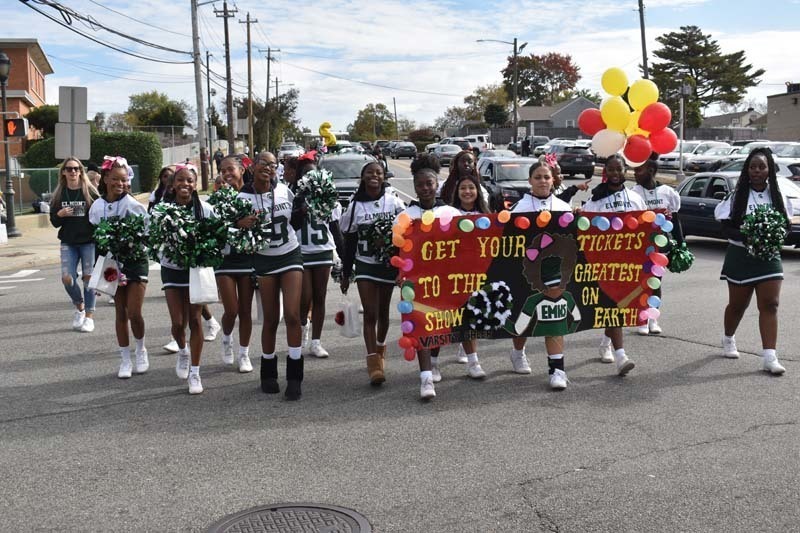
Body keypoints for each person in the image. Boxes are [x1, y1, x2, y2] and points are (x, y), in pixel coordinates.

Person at [714, 148, 790, 375]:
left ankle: (769, 357)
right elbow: (725, 227)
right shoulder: (737, 196)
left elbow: (785, 225)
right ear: (747, 170)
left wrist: (775, 235)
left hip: (769, 257)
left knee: (771, 304)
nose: (757, 171)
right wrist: (747, 236)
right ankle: (728, 338)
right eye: (753, 167)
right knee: (738, 305)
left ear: (769, 170)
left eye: (762, 167)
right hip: (741, 256)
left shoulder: (777, 195)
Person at [239, 151, 305, 400]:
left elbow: (294, 222)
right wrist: (238, 223)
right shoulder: (242, 196)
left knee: (292, 314)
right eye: (264, 163)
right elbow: (231, 228)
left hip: (289, 253)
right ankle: (268, 373)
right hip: (264, 259)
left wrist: (306, 210)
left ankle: (295, 377)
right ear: (253, 166)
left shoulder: (284, 191)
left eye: (273, 164)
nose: (269, 168)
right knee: (270, 318)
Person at [508, 160, 575, 389]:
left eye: (546, 177)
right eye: (538, 177)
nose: (543, 181)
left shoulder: (562, 207)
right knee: (523, 317)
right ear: (530, 181)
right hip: (527, 271)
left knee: (555, 317)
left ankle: (557, 370)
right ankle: (518, 352)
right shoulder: (519, 208)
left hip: (555, 274)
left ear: (553, 180)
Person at [340, 161, 406, 387]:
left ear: (383, 175)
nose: (374, 176)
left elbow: (406, 235)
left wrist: (402, 266)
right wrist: (346, 273)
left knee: (383, 312)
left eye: (378, 172)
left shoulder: (394, 201)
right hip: (365, 264)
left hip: (387, 265)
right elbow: (349, 242)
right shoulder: (355, 205)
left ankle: (380, 347)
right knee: (370, 313)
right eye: (369, 172)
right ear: (363, 177)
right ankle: (372, 362)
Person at [581, 154, 646, 376]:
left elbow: (645, 226)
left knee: (620, 307)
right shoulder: (596, 199)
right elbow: (586, 228)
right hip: (605, 263)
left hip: (630, 263)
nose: (615, 174)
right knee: (613, 306)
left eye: (619, 169)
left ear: (626, 170)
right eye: (611, 170)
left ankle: (605, 343)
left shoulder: (636, 197)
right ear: (604, 172)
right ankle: (621, 355)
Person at [158, 163, 219, 394]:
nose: (185, 184)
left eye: (190, 181)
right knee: (177, 322)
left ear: (195, 185)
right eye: (180, 180)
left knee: (195, 320)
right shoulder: (162, 210)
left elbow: (217, 236)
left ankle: (195, 372)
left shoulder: (205, 209)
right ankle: (182, 351)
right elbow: (152, 238)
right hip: (172, 269)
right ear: (173, 184)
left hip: (196, 270)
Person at [88, 156, 150, 379]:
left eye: (123, 180)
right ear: (105, 178)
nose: (119, 184)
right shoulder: (97, 207)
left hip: (135, 261)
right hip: (111, 263)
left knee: (135, 312)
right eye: (115, 179)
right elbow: (96, 238)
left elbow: (146, 235)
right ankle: (125, 358)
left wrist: (129, 243)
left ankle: (141, 349)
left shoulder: (133, 206)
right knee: (120, 312)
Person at [286, 154, 344, 358]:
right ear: (300, 177)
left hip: (322, 250)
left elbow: (335, 230)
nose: (310, 177)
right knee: (305, 298)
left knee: (320, 297)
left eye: (313, 173)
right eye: (305, 173)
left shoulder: (329, 197)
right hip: (301, 251)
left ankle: (316, 342)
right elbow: (291, 226)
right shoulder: (292, 196)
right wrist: (300, 208)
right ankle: (303, 327)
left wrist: (344, 260)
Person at [446, 167, 490, 380]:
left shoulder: (487, 216)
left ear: (477, 191)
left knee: (474, 316)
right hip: (454, 275)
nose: (467, 192)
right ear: (457, 192)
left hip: (478, 274)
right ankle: (469, 360)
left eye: (471, 188)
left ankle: (470, 356)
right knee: (460, 316)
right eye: (463, 188)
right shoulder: (447, 215)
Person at [213, 154, 255, 373]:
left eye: (231, 169)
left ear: (241, 169)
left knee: (246, 310)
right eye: (223, 170)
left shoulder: (253, 193)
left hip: (248, 258)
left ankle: (244, 353)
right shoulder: (218, 197)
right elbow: (213, 228)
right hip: (225, 259)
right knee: (231, 310)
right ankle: (227, 338)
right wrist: (236, 224)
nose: (227, 173)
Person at [630, 157, 682, 335]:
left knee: (656, 282)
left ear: (651, 171)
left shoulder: (667, 192)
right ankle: (642, 319)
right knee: (642, 283)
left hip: (661, 245)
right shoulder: (633, 192)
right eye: (635, 170)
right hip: (640, 246)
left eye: (639, 170)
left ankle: (653, 318)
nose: (635, 174)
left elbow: (675, 220)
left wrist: (681, 244)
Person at [49, 157, 99, 333]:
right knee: (67, 278)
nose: (72, 172)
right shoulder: (58, 194)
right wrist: (60, 214)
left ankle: (89, 317)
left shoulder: (89, 192)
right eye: (69, 169)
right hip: (68, 242)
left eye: (76, 169)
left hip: (88, 242)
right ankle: (80, 307)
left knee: (88, 279)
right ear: (63, 172)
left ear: (81, 171)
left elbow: (100, 214)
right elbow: (54, 222)